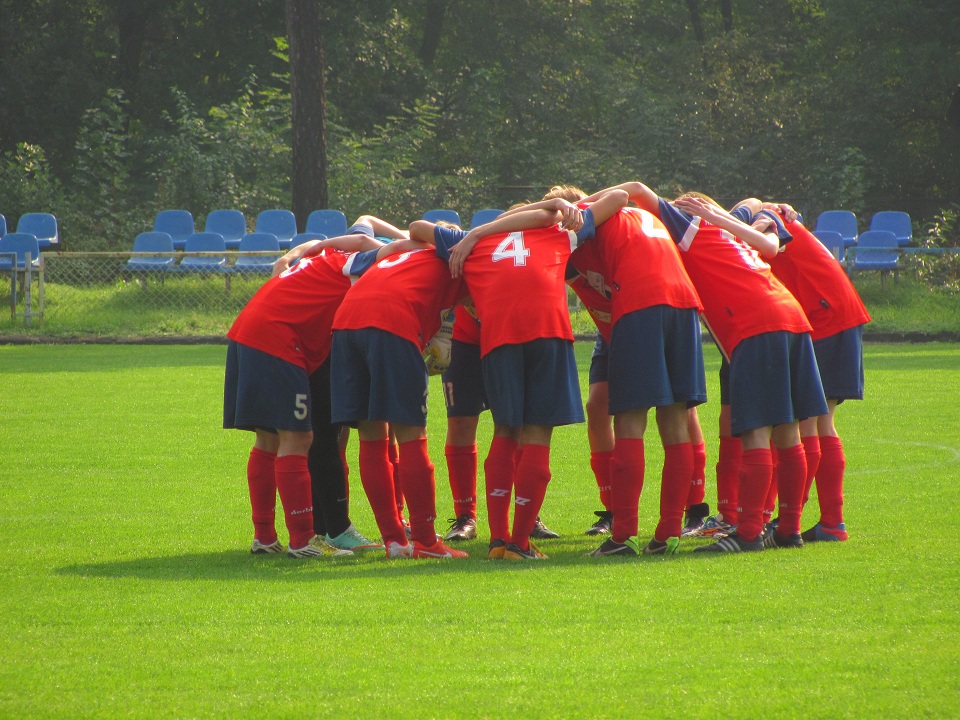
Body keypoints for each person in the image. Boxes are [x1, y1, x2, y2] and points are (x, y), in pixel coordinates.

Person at [438, 192, 626, 560]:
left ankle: (496, 540)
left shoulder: (474, 242)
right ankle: (521, 544)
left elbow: (417, 229)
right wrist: (557, 209)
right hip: (547, 332)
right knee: (537, 433)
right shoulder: (558, 233)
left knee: (506, 431)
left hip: (497, 338)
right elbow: (619, 196)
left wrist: (477, 234)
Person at [224, 219, 424, 558]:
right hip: (278, 339)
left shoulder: (322, 256)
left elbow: (356, 238)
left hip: (248, 331)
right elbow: (379, 246)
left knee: (268, 438)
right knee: (298, 438)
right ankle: (303, 541)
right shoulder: (347, 265)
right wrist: (427, 248)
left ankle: (265, 536)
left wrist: (298, 251)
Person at [558, 186, 707, 556]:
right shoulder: (643, 217)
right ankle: (669, 533)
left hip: (639, 304)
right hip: (685, 305)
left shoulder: (585, 218)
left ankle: (622, 535)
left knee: (629, 422)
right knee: (674, 419)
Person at [329, 218, 472, 559]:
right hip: (390, 324)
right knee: (412, 435)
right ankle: (425, 542)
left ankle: (394, 541)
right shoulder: (457, 257)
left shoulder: (405, 255)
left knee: (372, 436)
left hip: (345, 323)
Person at [758, 206, 871, 542]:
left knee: (808, 421)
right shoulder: (776, 216)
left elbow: (769, 227)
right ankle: (831, 522)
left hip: (826, 316)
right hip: (838, 313)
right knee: (821, 421)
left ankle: (789, 518)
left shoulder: (766, 219)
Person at [439, 303, 562, 543]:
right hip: (464, 339)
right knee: (461, 422)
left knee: (516, 423)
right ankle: (465, 516)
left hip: (510, 335)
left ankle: (527, 515)